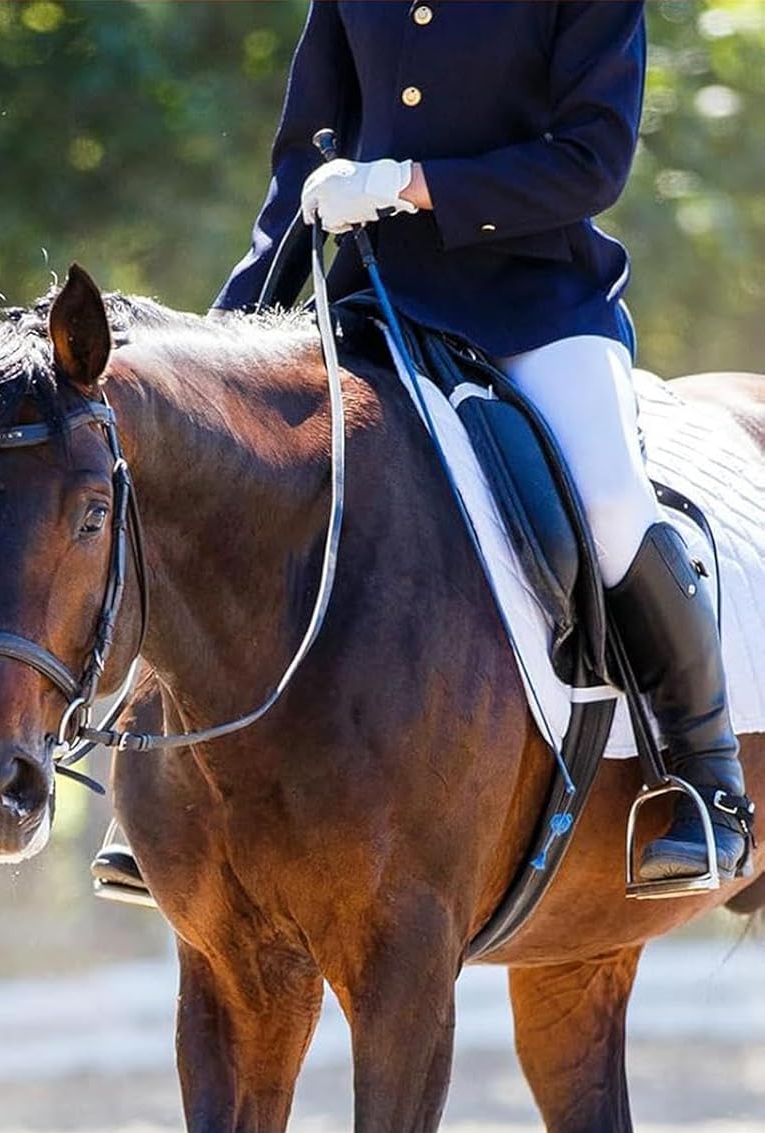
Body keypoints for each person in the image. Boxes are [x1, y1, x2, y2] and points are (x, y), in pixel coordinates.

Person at [93, 0, 752, 905]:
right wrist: (223, 340)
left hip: (536, 304)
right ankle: (153, 785)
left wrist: (409, 183)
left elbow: (591, 163)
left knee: (609, 503)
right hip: (373, 304)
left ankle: (707, 780)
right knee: (220, 481)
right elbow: (300, 168)